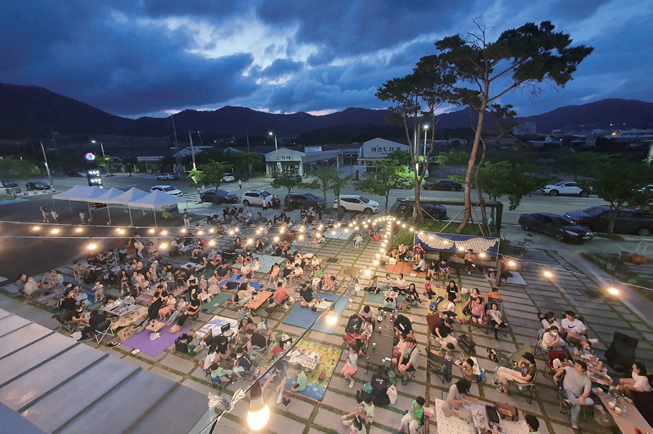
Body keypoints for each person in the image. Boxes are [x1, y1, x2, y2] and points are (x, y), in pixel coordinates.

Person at [555, 360, 593, 430]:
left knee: (591, 401)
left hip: (578, 394)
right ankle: (574, 423)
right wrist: (555, 376)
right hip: (568, 390)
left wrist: (582, 398)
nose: (575, 366)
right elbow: (560, 370)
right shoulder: (569, 369)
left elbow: (586, 392)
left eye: (578, 366)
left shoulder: (586, 380)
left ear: (583, 369)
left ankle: (571, 402)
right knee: (577, 406)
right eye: (575, 365)